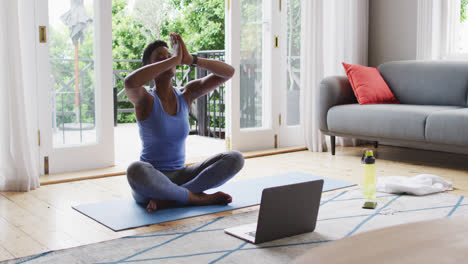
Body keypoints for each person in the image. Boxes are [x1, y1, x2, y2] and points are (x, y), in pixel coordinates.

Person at [124, 33, 244, 213]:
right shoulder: (145, 99)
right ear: (150, 67)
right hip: (152, 181)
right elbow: (130, 82)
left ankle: (173, 198)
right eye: (161, 58)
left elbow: (228, 72)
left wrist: (190, 59)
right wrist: (173, 59)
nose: (170, 60)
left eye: (169, 56)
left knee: (235, 158)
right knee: (134, 170)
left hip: (183, 176)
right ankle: (195, 198)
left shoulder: (186, 94)